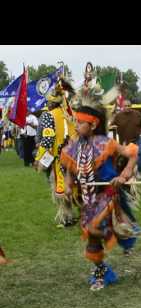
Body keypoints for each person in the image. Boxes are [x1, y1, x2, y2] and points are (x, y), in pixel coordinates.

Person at [61, 87, 141, 291]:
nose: (76, 126)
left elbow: (132, 154)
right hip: (88, 199)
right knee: (92, 237)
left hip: (107, 195)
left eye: (80, 122)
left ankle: (106, 264)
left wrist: (122, 176)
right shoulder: (75, 145)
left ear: (93, 123)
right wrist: (69, 184)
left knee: (94, 229)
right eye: (76, 122)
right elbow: (69, 167)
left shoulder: (107, 143)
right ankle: (103, 271)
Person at [34, 79, 78, 227]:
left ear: (52, 103)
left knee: (60, 186)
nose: (47, 105)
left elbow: (47, 139)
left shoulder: (48, 115)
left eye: (48, 103)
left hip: (59, 158)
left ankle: (66, 218)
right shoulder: (69, 114)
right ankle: (72, 215)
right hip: (75, 156)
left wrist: (39, 159)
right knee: (72, 185)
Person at [110, 100, 141, 179]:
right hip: (124, 142)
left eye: (129, 106)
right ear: (122, 107)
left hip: (137, 139)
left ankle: (138, 172)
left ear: (131, 106)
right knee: (124, 158)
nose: (127, 107)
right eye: (125, 106)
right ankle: (123, 172)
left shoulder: (137, 114)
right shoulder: (118, 116)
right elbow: (110, 125)